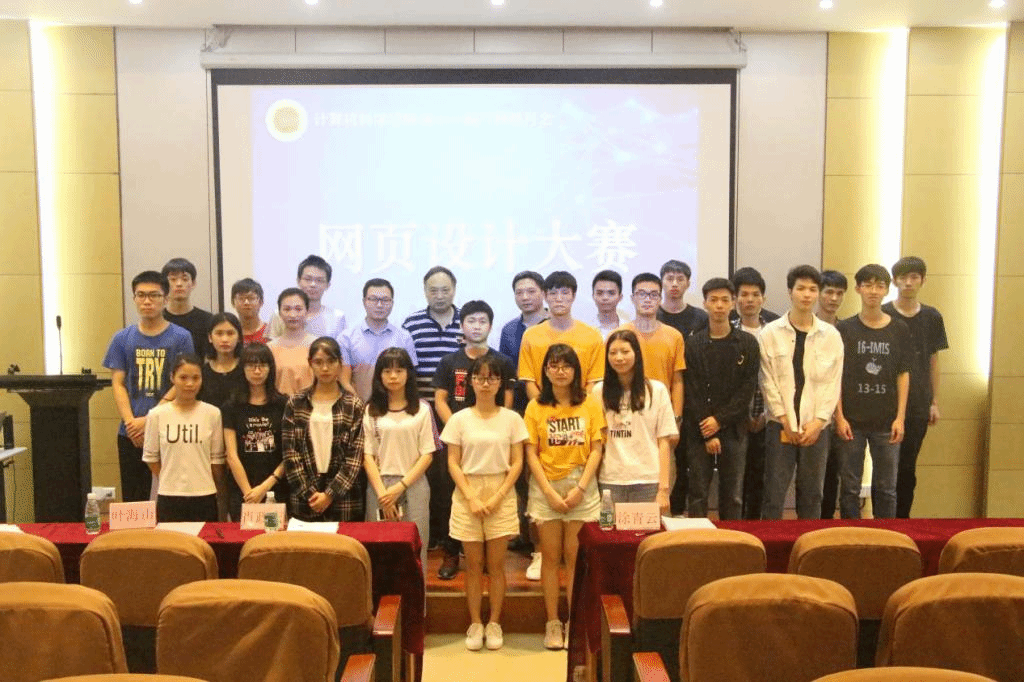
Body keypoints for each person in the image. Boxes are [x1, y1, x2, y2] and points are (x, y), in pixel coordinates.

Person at [442, 354, 528, 651]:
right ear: (471, 383)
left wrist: (498, 495)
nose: (486, 383)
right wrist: (471, 496)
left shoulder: (512, 419)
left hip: (501, 490)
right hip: (467, 491)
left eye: (492, 378)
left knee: (497, 565)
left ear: (500, 382)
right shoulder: (459, 419)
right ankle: (476, 622)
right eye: (479, 378)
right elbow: (452, 462)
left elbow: (517, 463)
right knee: (473, 565)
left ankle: (494, 622)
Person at [525, 344, 604, 650]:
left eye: (566, 366)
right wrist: (548, 491)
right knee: (549, 558)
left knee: (575, 559)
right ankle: (552, 622)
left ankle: (575, 621)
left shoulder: (589, 404)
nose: (560, 371)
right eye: (554, 366)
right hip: (545, 486)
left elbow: (596, 448)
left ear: (575, 371)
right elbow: (530, 452)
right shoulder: (535, 407)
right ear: (545, 371)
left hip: (581, 485)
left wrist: (580, 489)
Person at [432, 300, 515, 579]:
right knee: (450, 496)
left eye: (482, 321)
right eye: (471, 321)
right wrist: (457, 430)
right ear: (462, 325)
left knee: (491, 497)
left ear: (490, 326)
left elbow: (507, 401)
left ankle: (490, 557)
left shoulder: (503, 362)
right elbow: (440, 399)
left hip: (492, 441)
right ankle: (451, 553)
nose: (476, 326)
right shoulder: (449, 362)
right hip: (457, 442)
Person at [759, 265, 844, 520]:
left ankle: (808, 540)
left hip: (816, 426)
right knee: (773, 493)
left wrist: (819, 421)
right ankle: (771, 541)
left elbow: (833, 383)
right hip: (780, 424)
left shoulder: (831, 335)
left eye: (812, 289)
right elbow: (767, 380)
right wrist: (783, 418)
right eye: (801, 288)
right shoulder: (770, 332)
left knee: (812, 493)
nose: (807, 295)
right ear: (790, 291)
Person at [103, 271, 194, 502]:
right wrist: (131, 423)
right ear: (134, 298)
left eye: (154, 295)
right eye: (141, 295)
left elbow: (182, 382)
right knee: (134, 499)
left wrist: (150, 419)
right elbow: (118, 383)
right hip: (131, 432)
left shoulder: (181, 337)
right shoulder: (122, 338)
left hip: (169, 429)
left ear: (166, 299)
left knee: (171, 495)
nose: (147, 301)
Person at [835, 264, 911, 520]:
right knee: (849, 488)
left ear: (887, 290)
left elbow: (903, 374)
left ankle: (887, 537)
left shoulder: (899, 329)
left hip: (887, 422)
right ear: (858, 289)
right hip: (851, 422)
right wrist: (839, 416)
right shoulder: (845, 329)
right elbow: (836, 376)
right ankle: (851, 536)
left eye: (879, 286)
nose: (873, 291)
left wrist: (900, 418)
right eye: (867, 285)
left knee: (887, 489)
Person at [403, 266, 463, 571]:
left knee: (454, 477)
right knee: (431, 477)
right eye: (433, 290)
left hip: (458, 414)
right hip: (424, 414)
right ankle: (435, 534)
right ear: (425, 291)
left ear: (454, 289)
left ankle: (455, 538)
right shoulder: (412, 324)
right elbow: (407, 369)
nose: (439, 295)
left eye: (445, 289)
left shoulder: (467, 321)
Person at [684, 279, 759, 520]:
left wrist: (719, 421)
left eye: (725, 300)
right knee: (698, 493)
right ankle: (698, 540)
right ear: (704, 303)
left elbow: (746, 390)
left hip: (734, 429)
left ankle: (733, 540)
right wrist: (708, 429)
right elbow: (692, 390)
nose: (719, 305)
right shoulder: (693, 344)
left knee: (733, 495)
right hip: (700, 428)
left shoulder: (747, 343)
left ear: (733, 303)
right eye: (713, 300)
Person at [882, 256, 948, 518]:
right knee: (885, 468)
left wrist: (934, 401)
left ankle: (902, 522)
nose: (908, 283)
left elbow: (934, 360)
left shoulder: (932, 316)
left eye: (914, 277)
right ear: (894, 281)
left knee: (908, 467)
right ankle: (882, 521)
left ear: (923, 281)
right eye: (903, 277)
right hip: (885, 402)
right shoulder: (884, 314)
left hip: (918, 403)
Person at [363, 348, 435, 570]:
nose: (393, 376)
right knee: (380, 552)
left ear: (408, 373)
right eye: (387, 371)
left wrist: (400, 487)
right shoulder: (371, 410)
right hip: (379, 487)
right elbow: (367, 455)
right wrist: (383, 494)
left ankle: (417, 595)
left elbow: (427, 454)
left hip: (413, 485)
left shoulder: (422, 409)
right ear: (379, 375)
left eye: (399, 370)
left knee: (414, 551)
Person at [620, 273, 686, 512]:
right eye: (642, 294)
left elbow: (677, 380)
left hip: (661, 418)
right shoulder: (620, 335)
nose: (647, 299)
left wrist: (676, 420)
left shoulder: (673, 336)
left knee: (664, 480)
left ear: (660, 299)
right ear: (632, 298)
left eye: (653, 294)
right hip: (627, 417)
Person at [282, 337, 365, 521]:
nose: (325, 368)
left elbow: (354, 458)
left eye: (331, 361)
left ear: (340, 364)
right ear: (310, 364)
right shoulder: (296, 402)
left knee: (345, 541)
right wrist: (310, 493)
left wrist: (329, 494)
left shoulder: (353, 405)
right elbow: (290, 454)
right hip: (304, 497)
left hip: (345, 498)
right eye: (318, 362)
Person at [595, 329, 677, 513]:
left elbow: (664, 442)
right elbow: (597, 442)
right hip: (610, 481)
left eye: (625, 351)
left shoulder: (657, 390)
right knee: (610, 531)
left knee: (647, 532)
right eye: (613, 352)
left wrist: (663, 489)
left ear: (636, 354)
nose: (619, 358)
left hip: (648, 480)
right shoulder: (598, 391)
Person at [498, 270, 548, 559]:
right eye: (520, 292)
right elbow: (507, 374)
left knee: (544, 470)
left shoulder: (554, 325)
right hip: (519, 409)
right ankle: (526, 533)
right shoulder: (508, 330)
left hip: (551, 408)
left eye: (531, 291)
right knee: (519, 473)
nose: (525, 297)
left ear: (543, 293)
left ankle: (545, 536)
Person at [142, 353, 225, 522]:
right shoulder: (156, 415)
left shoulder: (213, 413)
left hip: (205, 495)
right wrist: (170, 477)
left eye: (196, 378)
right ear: (172, 378)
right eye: (183, 377)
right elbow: (151, 458)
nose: (190, 384)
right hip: (169, 496)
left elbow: (216, 461)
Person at [731, 266, 781, 520]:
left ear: (763, 298)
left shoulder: (776, 330)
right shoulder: (727, 329)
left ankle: (755, 527)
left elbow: (781, 376)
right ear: (735, 298)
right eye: (743, 294)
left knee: (762, 477)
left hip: (768, 416)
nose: (749, 300)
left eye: (755, 294)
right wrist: (741, 413)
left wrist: (766, 413)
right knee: (735, 479)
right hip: (735, 418)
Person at [222, 342, 289, 521]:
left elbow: (289, 453)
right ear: (242, 369)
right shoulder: (231, 406)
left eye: (262, 365)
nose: (257, 371)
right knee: (244, 536)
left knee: (274, 535)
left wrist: (265, 488)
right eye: (251, 365)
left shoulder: (283, 404)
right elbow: (231, 455)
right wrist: (250, 493)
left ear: (270, 368)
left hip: (275, 489)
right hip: (242, 491)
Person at [519, 271, 604, 401]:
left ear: (573, 296)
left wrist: (579, 407)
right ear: (545, 296)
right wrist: (543, 408)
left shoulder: (592, 335)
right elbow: (529, 381)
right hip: (542, 407)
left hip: (582, 406)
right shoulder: (530, 335)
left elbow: (593, 381)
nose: (559, 299)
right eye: (553, 293)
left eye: (565, 293)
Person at [340, 278, 418, 402]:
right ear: (364, 302)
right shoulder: (347, 337)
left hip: (395, 407)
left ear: (392, 303)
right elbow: (344, 380)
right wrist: (359, 405)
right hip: (358, 406)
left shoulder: (404, 337)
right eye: (373, 299)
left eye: (385, 300)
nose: (379, 305)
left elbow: (410, 378)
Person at [817, 270, 848, 519]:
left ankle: (826, 525)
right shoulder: (805, 326)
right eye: (829, 292)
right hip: (809, 414)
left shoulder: (848, 329)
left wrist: (840, 414)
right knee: (808, 477)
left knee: (833, 473)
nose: (834, 298)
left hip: (841, 414)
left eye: (839, 293)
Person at [267, 255, 346, 339]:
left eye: (319, 280)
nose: (313, 284)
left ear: (328, 285)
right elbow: (271, 345)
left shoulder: (337, 317)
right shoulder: (279, 315)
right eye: (308, 279)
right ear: (298, 281)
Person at [268, 287, 317, 397]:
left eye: (298, 309)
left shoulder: (317, 346)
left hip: (311, 404)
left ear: (307, 311)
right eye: (287, 309)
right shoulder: (270, 348)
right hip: (278, 405)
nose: (293, 315)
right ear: (279, 313)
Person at [161, 257, 213, 359]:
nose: (179, 284)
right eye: (173, 279)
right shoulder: (158, 319)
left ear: (193, 283)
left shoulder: (208, 320)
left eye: (185, 279)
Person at [197, 312, 245, 409]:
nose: (225, 339)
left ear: (239, 337)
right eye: (219, 333)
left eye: (230, 333)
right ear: (210, 337)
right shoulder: (201, 371)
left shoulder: (246, 368)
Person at [657, 259, 708, 338]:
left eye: (680, 279)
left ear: (688, 284)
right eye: (670, 279)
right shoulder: (652, 316)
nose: (674, 284)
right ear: (661, 283)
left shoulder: (701, 317)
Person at [591, 270, 629, 340]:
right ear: (593, 296)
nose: (605, 298)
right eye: (600, 293)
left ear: (620, 297)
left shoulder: (629, 329)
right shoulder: (586, 329)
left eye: (611, 293)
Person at [231, 277, 269, 345]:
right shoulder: (229, 334)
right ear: (233, 303)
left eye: (251, 298)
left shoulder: (270, 332)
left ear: (261, 302)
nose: (246, 302)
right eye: (241, 298)